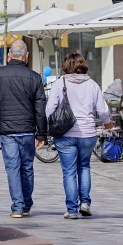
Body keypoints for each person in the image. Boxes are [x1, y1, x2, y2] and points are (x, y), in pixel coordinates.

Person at [46, 52, 113, 219]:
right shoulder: (92, 85)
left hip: (65, 134)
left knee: (69, 172)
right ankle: (85, 203)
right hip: (88, 133)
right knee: (84, 167)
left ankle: (71, 210)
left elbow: (49, 110)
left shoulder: (59, 83)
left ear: (65, 65)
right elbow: (103, 110)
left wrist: (54, 123)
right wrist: (108, 123)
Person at [0, 40, 47, 218]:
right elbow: (41, 108)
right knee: (27, 167)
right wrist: (42, 133)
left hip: (8, 130)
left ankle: (18, 207)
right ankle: (26, 205)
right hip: (27, 130)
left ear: (9, 55)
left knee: (13, 168)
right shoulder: (34, 77)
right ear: (26, 56)